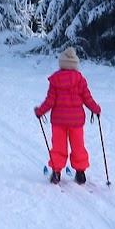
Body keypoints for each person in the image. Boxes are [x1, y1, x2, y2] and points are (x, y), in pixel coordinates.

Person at [33, 47, 101, 185]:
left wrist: (40, 111)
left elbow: (50, 100)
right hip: (76, 122)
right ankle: (80, 173)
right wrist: (96, 109)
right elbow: (88, 98)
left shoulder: (55, 80)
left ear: (62, 64)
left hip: (58, 121)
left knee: (58, 147)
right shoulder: (80, 80)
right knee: (78, 146)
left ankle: (56, 173)